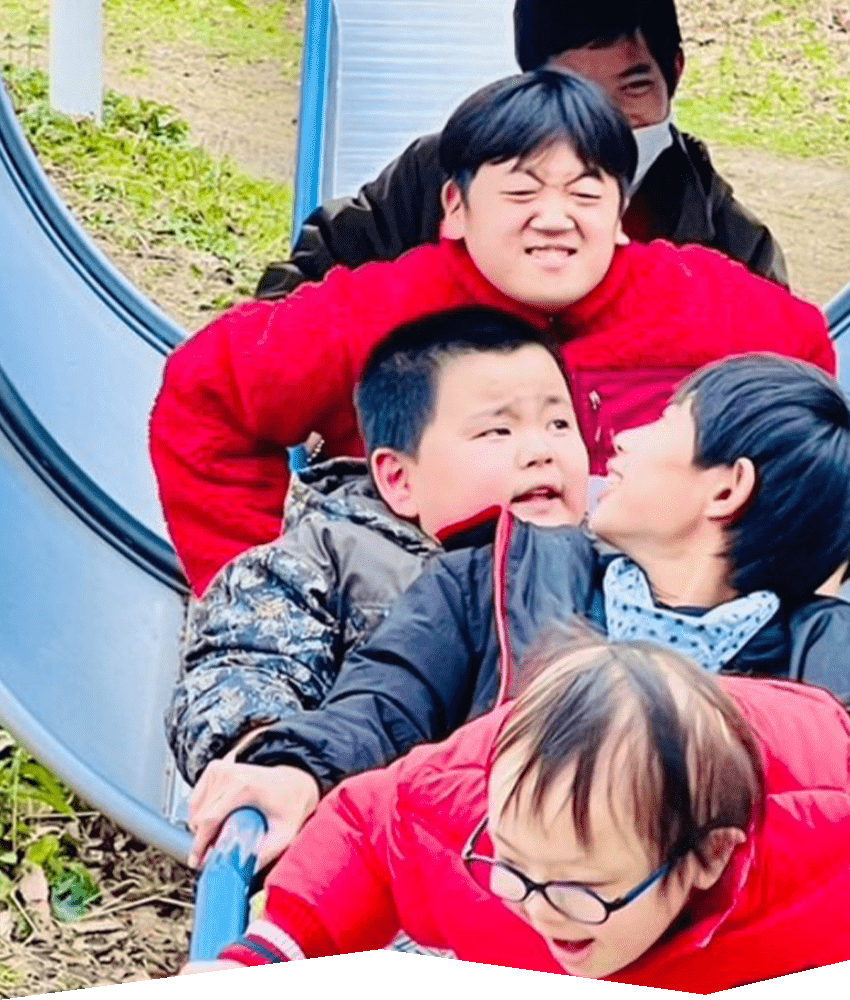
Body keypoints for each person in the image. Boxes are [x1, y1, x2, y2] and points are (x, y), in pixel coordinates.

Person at [188, 353, 850, 870]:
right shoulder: (490, 580)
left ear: (725, 488)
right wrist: (296, 769)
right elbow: (383, 707)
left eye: (667, 421)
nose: (625, 440)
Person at [152, 68, 834, 596]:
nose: (554, 218)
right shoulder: (384, 310)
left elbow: (806, 372)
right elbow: (205, 391)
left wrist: (754, 570)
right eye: (521, 192)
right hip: (419, 634)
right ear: (455, 206)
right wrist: (258, 586)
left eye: (585, 193)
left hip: (641, 643)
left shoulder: (701, 304)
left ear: (621, 211)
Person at [190, 629, 850, 988]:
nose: (535, 906)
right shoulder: (467, 819)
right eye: (513, 866)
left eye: (581, 888)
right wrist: (269, 951)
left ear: (709, 855)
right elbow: (371, 824)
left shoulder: (833, 829)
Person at [167, 307, 591, 831]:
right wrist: (273, 754)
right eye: (497, 431)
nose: (541, 451)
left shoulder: (610, 564)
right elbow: (243, 665)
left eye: (559, 424)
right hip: (374, 830)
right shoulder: (325, 559)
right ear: (399, 479)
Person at [254, 0, 786, 299]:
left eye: (633, 88)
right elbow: (294, 296)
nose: (606, 121)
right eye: (577, 92)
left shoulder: (732, 244)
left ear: (675, 72)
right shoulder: (441, 172)